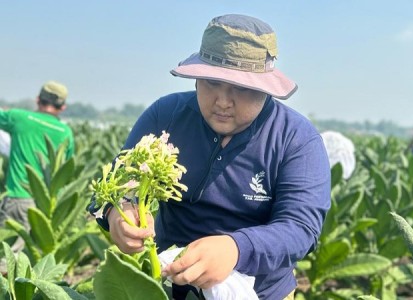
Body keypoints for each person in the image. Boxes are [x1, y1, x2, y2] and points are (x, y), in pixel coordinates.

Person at [88, 14, 331, 299]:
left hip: (261, 292)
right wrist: (117, 212)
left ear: (266, 89)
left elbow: (301, 229)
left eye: (242, 88)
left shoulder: (297, 139)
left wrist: (236, 248)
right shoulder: (165, 116)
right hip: (168, 286)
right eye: (212, 82)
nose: (223, 101)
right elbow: (113, 186)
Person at [0, 81, 74, 252]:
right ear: (62, 107)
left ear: (38, 99)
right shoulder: (65, 132)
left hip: (19, 199)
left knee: (7, 259)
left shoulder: (20, 118)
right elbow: (66, 170)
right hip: (48, 207)